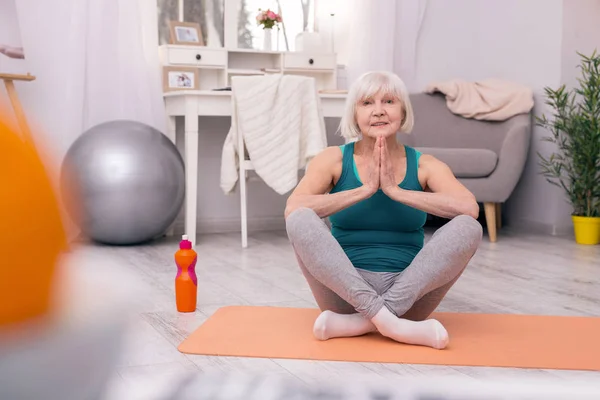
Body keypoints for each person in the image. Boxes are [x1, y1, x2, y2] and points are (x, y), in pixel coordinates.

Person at [284, 71, 483, 350]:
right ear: (354, 114)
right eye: (367, 103)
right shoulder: (332, 159)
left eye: (389, 101)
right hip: (344, 295)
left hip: (409, 296)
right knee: (300, 217)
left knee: (469, 227)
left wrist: (396, 191)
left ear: (403, 111)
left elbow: (468, 207)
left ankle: (367, 321)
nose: (378, 111)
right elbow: (293, 207)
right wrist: (363, 190)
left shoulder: (425, 165)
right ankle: (390, 323)